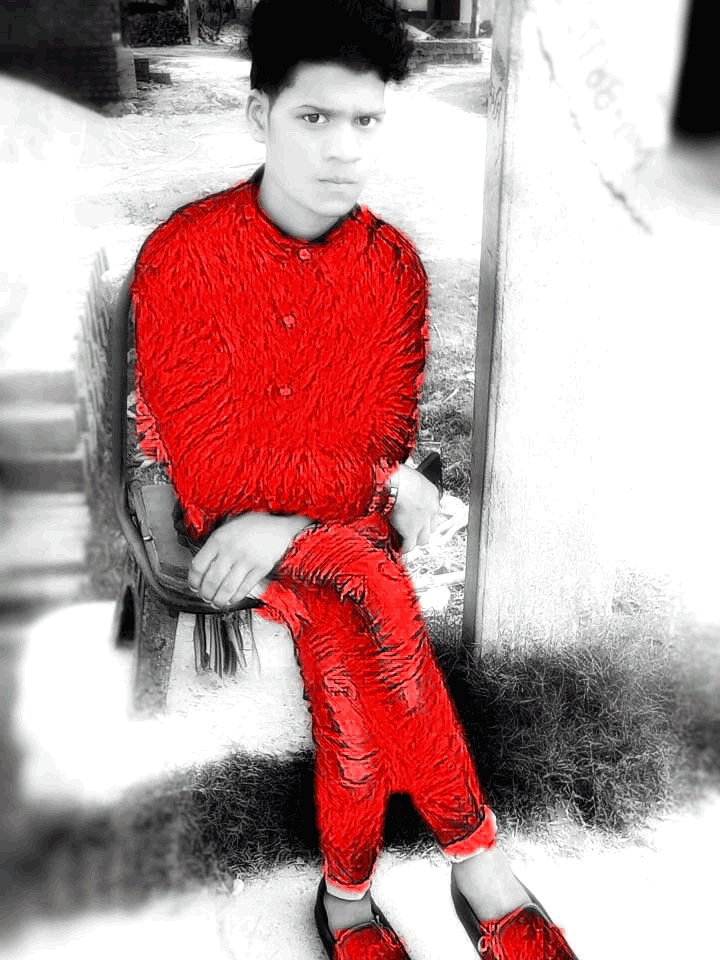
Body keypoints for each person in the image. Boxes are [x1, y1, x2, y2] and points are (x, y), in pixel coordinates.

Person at [130, 1, 579, 957]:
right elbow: (215, 463)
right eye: (314, 117)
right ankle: (479, 869)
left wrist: (328, 503)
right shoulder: (186, 253)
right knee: (368, 580)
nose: (343, 148)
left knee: (349, 629)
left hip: (333, 528)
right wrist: (377, 487)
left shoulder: (394, 268)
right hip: (219, 522)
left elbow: (385, 432)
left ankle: (346, 900)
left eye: (365, 120)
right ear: (261, 114)